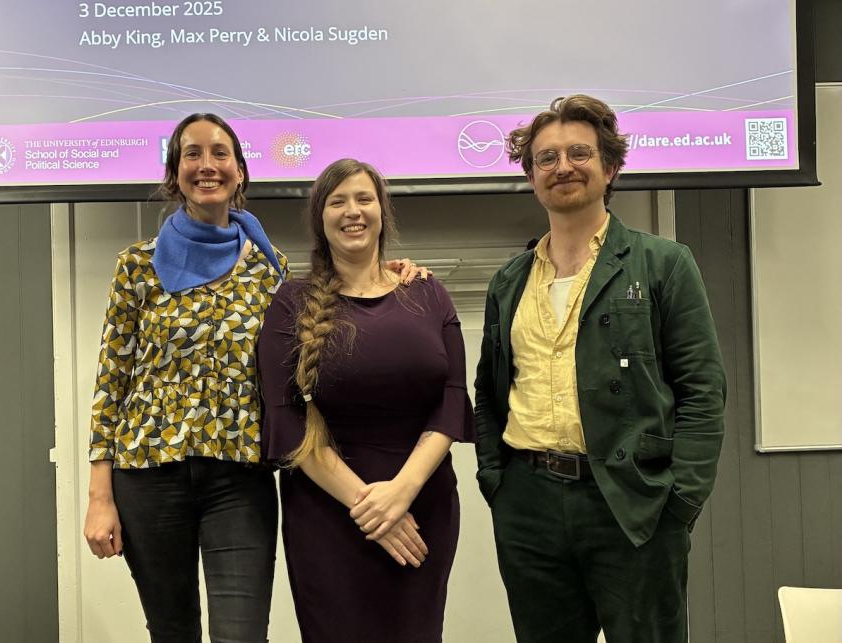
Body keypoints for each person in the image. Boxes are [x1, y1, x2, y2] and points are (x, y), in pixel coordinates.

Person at [82, 114, 425, 643]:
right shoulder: (136, 265)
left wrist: (394, 273)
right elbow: (112, 382)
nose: (206, 166)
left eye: (219, 153)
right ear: (175, 174)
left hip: (239, 479)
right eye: (191, 155)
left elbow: (338, 298)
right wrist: (99, 496)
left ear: (240, 171)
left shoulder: (270, 269)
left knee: (241, 636)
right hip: (147, 476)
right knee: (172, 632)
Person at [473, 95, 726, 643]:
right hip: (529, 504)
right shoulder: (509, 281)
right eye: (546, 158)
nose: (563, 166)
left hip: (632, 503)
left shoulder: (663, 262)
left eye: (579, 152)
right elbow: (489, 391)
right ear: (532, 177)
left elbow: (703, 391)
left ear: (610, 167)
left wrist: (679, 503)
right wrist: (498, 483)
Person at [258, 159, 475, 643]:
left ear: (383, 211)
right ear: (320, 218)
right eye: (337, 201)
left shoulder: (428, 291)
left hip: (423, 507)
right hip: (328, 514)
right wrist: (368, 506)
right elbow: (284, 419)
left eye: (364, 199)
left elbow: (453, 397)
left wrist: (401, 492)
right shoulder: (290, 302)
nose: (352, 212)